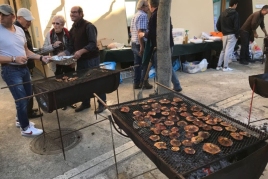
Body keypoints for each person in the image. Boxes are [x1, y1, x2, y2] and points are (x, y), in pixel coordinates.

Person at [0, 4, 50, 136]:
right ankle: (25, 128)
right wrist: (13, 58)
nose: (0, 17)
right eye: (0, 14)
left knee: (28, 97)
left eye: (3, 15)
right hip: (10, 70)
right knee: (21, 99)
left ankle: (19, 119)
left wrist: (40, 57)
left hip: (24, 68)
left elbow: (26, 51)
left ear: (12, 16)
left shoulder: (20, 30)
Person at [59, 6, 106, 114]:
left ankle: (102, 103)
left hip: (91, 59)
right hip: (81, 60)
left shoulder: (88, 26)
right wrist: (64, 53)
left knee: (96, 81)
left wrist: (80, 51)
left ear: (81, 14)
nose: (72, 14)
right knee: (82, 82)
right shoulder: (73, 28)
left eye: (75, 12)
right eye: (71, 12)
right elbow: (71, 46)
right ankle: (86, 103)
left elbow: (92, 44)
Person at [143, 0, 182, 95]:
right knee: (167, 65)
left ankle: (159, 91)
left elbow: (153, 33)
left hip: (160, 46)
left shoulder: (154, 16)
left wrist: (143, 34)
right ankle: (177, 85)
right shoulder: (165, 14)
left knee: (159, 68)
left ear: (151, 5)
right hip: (169, 44)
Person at [43, 15, 77, 110]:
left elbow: (73, 47)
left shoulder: (69, 33)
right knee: (59, 83)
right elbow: (43, 49)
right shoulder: (49, 35)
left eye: (57, 23)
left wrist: (74, 59)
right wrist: (53, 46)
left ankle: (71, 101)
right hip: (56, 64)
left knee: (70, 82)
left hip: (68, 62)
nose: (55, 25)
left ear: (62, 25)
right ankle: (63, 103)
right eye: (53, 23)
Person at [14, 8, 43, 120]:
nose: (29, 23)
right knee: (22, 94)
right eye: (27, 20)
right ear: (19, 18)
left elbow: (27, 49)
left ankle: (29, 110)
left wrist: (39, 57)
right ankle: (24, 118)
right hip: (18, 67)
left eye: (30, 20)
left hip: (26, 65)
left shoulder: (23, 29)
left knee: (28, 90)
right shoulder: (16, 30)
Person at [130, 0, 152, 89]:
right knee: (145, 64)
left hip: (134, 42)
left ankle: (136, 83)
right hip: (140, 43)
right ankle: (143, 82)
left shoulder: (135, 15)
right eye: (147, 6)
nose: (148, 7)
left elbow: (132, 30)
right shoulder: (143, 15)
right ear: (142, 6)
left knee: (137, 65)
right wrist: (142, 47)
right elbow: (140, 32)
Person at [216, 0, 239, 71]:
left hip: (224, 35)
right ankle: (225, 67)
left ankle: (218, 66)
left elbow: (217, 25)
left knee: (223, 50)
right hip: (232, 35)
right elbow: (236, 26)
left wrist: (222, 31)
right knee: (228, 51)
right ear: (235, 5)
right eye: (236, 5)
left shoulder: (223, 13)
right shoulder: (235, 13)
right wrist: (237, 35)